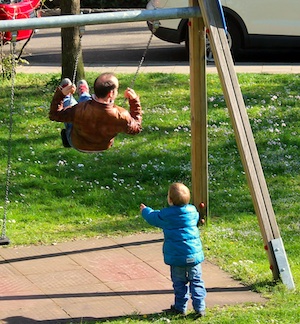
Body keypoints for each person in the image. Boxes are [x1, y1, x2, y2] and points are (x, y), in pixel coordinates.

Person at [140, 183, 206, 317]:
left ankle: (180, 307)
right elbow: (197, 217)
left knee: (179, 283)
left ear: (170, 200)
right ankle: (200, 307)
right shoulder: (193, 211)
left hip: (177, 258)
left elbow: (153, 217)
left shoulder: (166, 215)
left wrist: (145, 210)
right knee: (197, 281)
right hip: (194, 256)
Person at [49, 72, 142, 153]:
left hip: (77, 143)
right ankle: (84, 94)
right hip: (103, 146)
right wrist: (134, 101)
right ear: (111, 93)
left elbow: (55, 115)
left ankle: (69, 95)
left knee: (71, 104)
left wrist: (61, 94)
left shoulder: (79, 109)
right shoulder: (122, 115)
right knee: (85, 105)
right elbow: (136, 128)